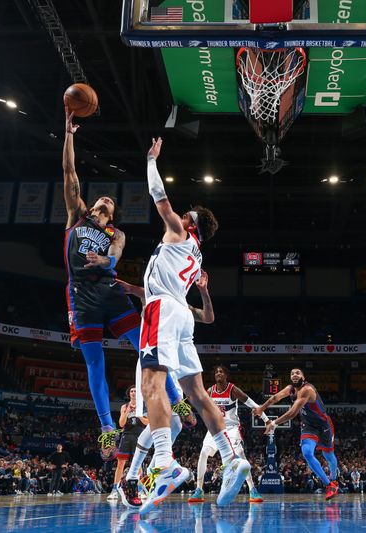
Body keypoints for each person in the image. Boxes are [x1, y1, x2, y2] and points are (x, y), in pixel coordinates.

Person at [121, 137, 248, 512]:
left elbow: (159, 197)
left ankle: (164, 464)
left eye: (186, 213)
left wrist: (150, 161)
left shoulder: (178, 230)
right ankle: (231, 457)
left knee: (151, 383)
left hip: (162, 310)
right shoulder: (195, 251)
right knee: (196, 390)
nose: (182, 214)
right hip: (181, 315)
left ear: (191, 220)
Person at [62, 108, 141, 453]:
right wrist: (69, 133)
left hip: (108, 289)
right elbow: (69, 171)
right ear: (92, 205)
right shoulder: (75, 217)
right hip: (81, 294)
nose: (106, 199)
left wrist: (105, 258)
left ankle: (174, 398)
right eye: (102, 199)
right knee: (96, 361)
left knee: (146, 343)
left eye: (111, 202)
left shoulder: (115, 232)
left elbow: (118, 254)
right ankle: (107, 427)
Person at [187, 365, 269, 504]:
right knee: (203, 453)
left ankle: (252, 490)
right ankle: (199, 490)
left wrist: (266, 419)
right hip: (215, 429)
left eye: (221, 372)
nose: (218, 374)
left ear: (226, 375)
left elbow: (250, 402)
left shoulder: (232, 389)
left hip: (231, 428)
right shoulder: (210, 391)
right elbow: (200, 404)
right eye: (216, 372)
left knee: (240, 453)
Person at [255, 368, 340, 500]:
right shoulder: (291, 389)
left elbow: (292, 413)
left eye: (297, 373)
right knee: (306, 452)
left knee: (328, 455)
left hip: (323, 425)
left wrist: (274, 423)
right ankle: (329, 485)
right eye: (292, 373)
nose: (294, 375)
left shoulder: (307, 390)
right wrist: (261, 408)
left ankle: (334, 479)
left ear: (303, 377)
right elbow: (275, 397)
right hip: (309, 425)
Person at [109, 385, 148, 501]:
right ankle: (114, 490)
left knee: (138, 464)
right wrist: (127, 412)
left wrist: (139, 415)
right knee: (120, 464)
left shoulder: (144, 406)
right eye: (131, 391)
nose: (133, 392)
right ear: (129, 394)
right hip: (126, 437)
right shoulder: (124, 406)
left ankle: (140, 490)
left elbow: (148, 423)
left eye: (135, 391)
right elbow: (121, 424)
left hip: (139, 436)